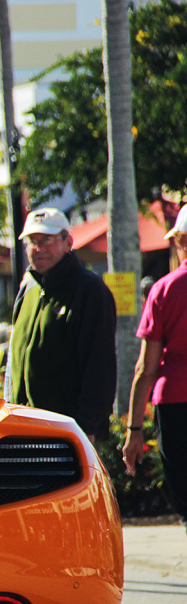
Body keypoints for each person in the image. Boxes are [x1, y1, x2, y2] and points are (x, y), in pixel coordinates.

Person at [8, 207, 117, 444]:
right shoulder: (28, 289)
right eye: (32, 241)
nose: (39, 248)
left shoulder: (89, 290)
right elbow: (14, 364)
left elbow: (100, 366)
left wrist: (86, 428)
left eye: (47, 239)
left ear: (68, 243)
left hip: (68, 433)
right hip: (22, 428)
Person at [122, 207, 187, 527]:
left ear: (181, 241)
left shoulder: (164, 290)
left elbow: (144, 370)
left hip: (175, 401)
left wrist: (134, 432)